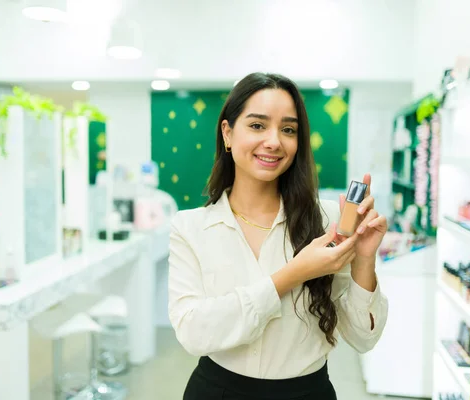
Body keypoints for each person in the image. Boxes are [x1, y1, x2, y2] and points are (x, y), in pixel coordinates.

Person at [167, 72, 389, 400]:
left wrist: (364, 259)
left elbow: (363, 338)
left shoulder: (327, 220)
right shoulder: (190, 228)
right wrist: (293, 274)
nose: (274, 141)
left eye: (288, 129)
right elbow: (193, 332)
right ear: (227, 133)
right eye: (257, 125)